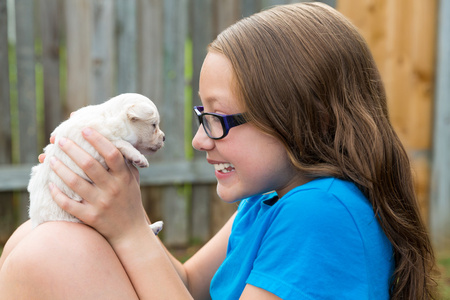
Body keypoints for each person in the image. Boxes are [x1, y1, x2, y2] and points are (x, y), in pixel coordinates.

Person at [0, 2, 438, 299]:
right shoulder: (268, 200)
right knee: (38, 238)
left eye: (220, 120)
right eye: (200, 115)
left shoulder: (323, 213)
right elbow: (188, 283)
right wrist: (100, 213)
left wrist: (131, 230)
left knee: (49, 252)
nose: (199, 140)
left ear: (304, 120)